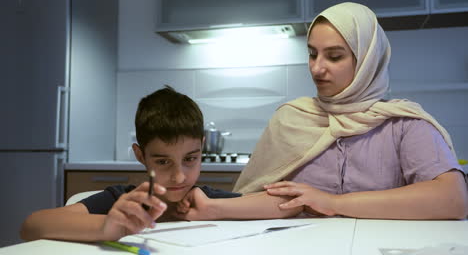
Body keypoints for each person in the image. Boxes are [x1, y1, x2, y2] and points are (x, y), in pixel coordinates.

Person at [232, 2, 468, 220]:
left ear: (367, 61)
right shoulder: (290, 118)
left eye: (334, 57)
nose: (317, 68)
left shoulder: (404, 124)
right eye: (312, 54)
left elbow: (454, 199)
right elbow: (257, 196)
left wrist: (332, 203)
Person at [20, 86, 301, 242]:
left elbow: (289, 205)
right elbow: (31, 226)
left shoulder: (201, 199)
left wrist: (213, 208)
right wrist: (108, 225)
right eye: (163, 161)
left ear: (202, 148)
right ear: (140, 156)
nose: (179, 175)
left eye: (190, 159)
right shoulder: (124, 200)